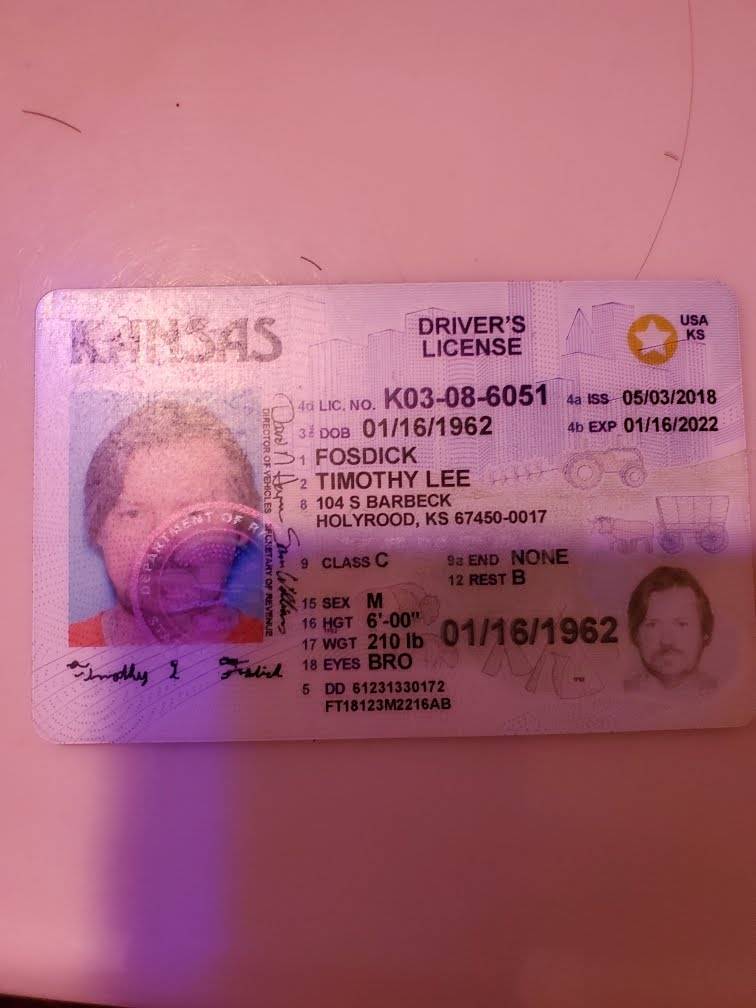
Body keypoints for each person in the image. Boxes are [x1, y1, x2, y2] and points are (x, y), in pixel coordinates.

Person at [69, 400, 264, 646]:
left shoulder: (280, 651)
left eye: (194, 515)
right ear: (98, 530)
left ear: (239, 530)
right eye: (133, 514)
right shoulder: (53, 654)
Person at [624, 565, 715, 693]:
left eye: (681, 624)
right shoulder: (618, 692)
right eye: (652, 625)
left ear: (705, 632)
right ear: (635, 635)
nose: (667, 641)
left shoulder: (728, 695)